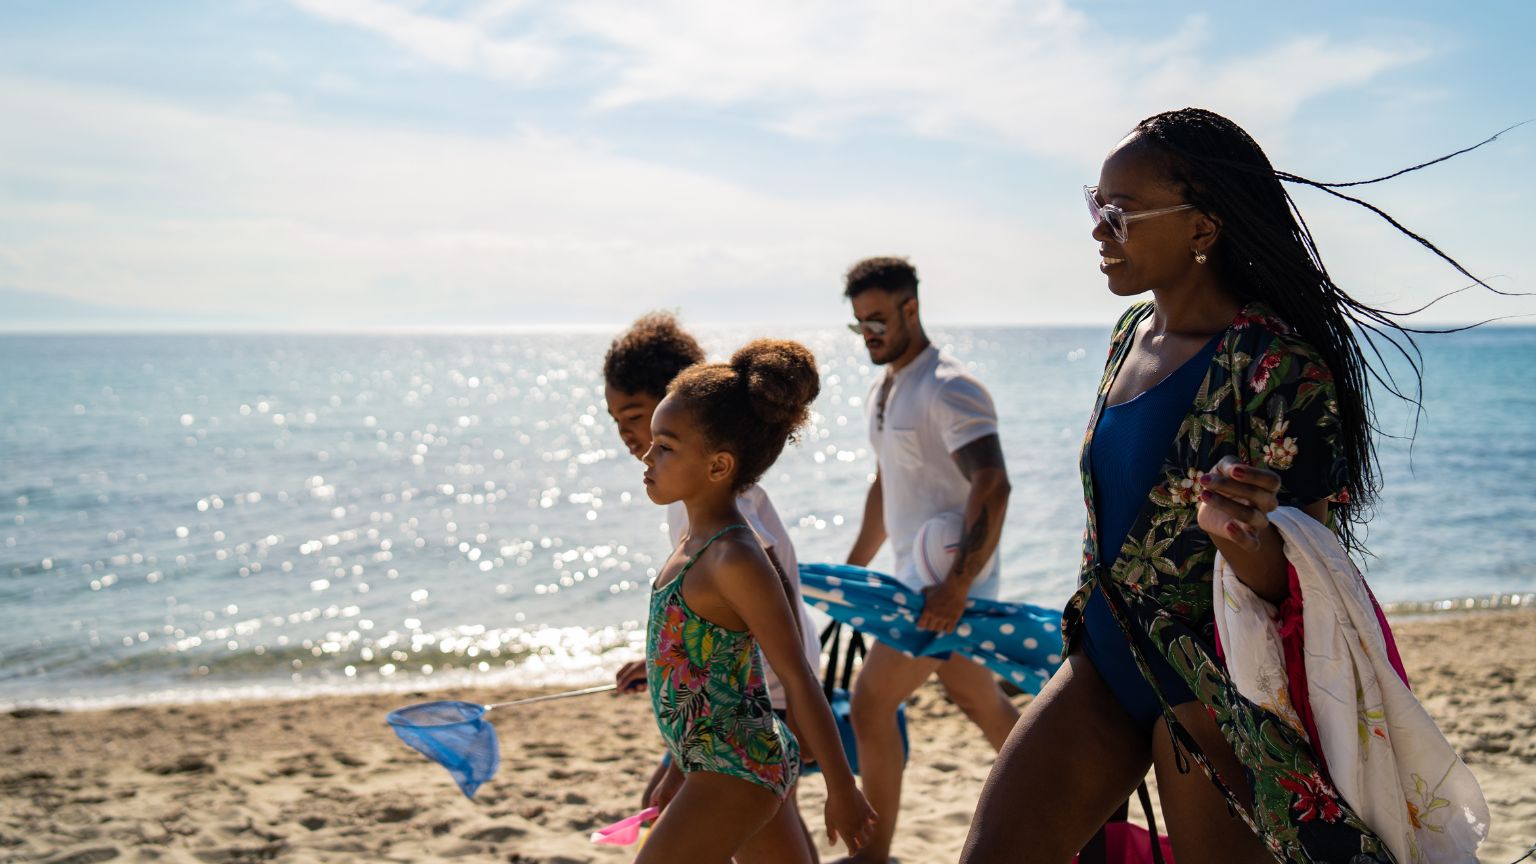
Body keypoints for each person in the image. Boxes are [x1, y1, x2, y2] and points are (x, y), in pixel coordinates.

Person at [961, 108, 1489, 864]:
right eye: (1094, 205)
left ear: (1202, 229)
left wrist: (1244, 544)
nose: (1097, 230)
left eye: (1120, 212)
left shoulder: (1279, 366)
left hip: (1212, 693)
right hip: (1104, 661)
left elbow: (1308, 580)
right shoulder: (1127, 337)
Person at [633, 339, 877, 863]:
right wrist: (676, 766)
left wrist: (842, 788)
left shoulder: (736, 556)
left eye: (666, 446)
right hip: (715, 761)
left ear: (719, 466)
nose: (648, 457)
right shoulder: (690, 543)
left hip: (738, 766)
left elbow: (796, 675)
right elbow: (711, 672)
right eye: (653, 443)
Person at [602, 312, 824, 862]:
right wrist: (658, 662)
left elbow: (772, 624)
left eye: (640, 418)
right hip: (730, 711)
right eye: (619, 421)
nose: (634, 438)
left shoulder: (733, 519)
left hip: (757, 704)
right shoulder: (695, 505)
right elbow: (709, 617)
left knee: (763, 824)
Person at [836, 257, 1020, 864]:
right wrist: (855, 571)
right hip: (924, 587)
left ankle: (874, 855)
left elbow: (992, 484)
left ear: (911, 308)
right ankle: (1083, 807)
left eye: (880, 320)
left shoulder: (949, 386)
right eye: (860, 324)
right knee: (983, 703)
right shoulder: (885, 390)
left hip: (944, 593)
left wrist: (958, 586)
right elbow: (886, 486)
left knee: (869, 703)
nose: (870, 334)